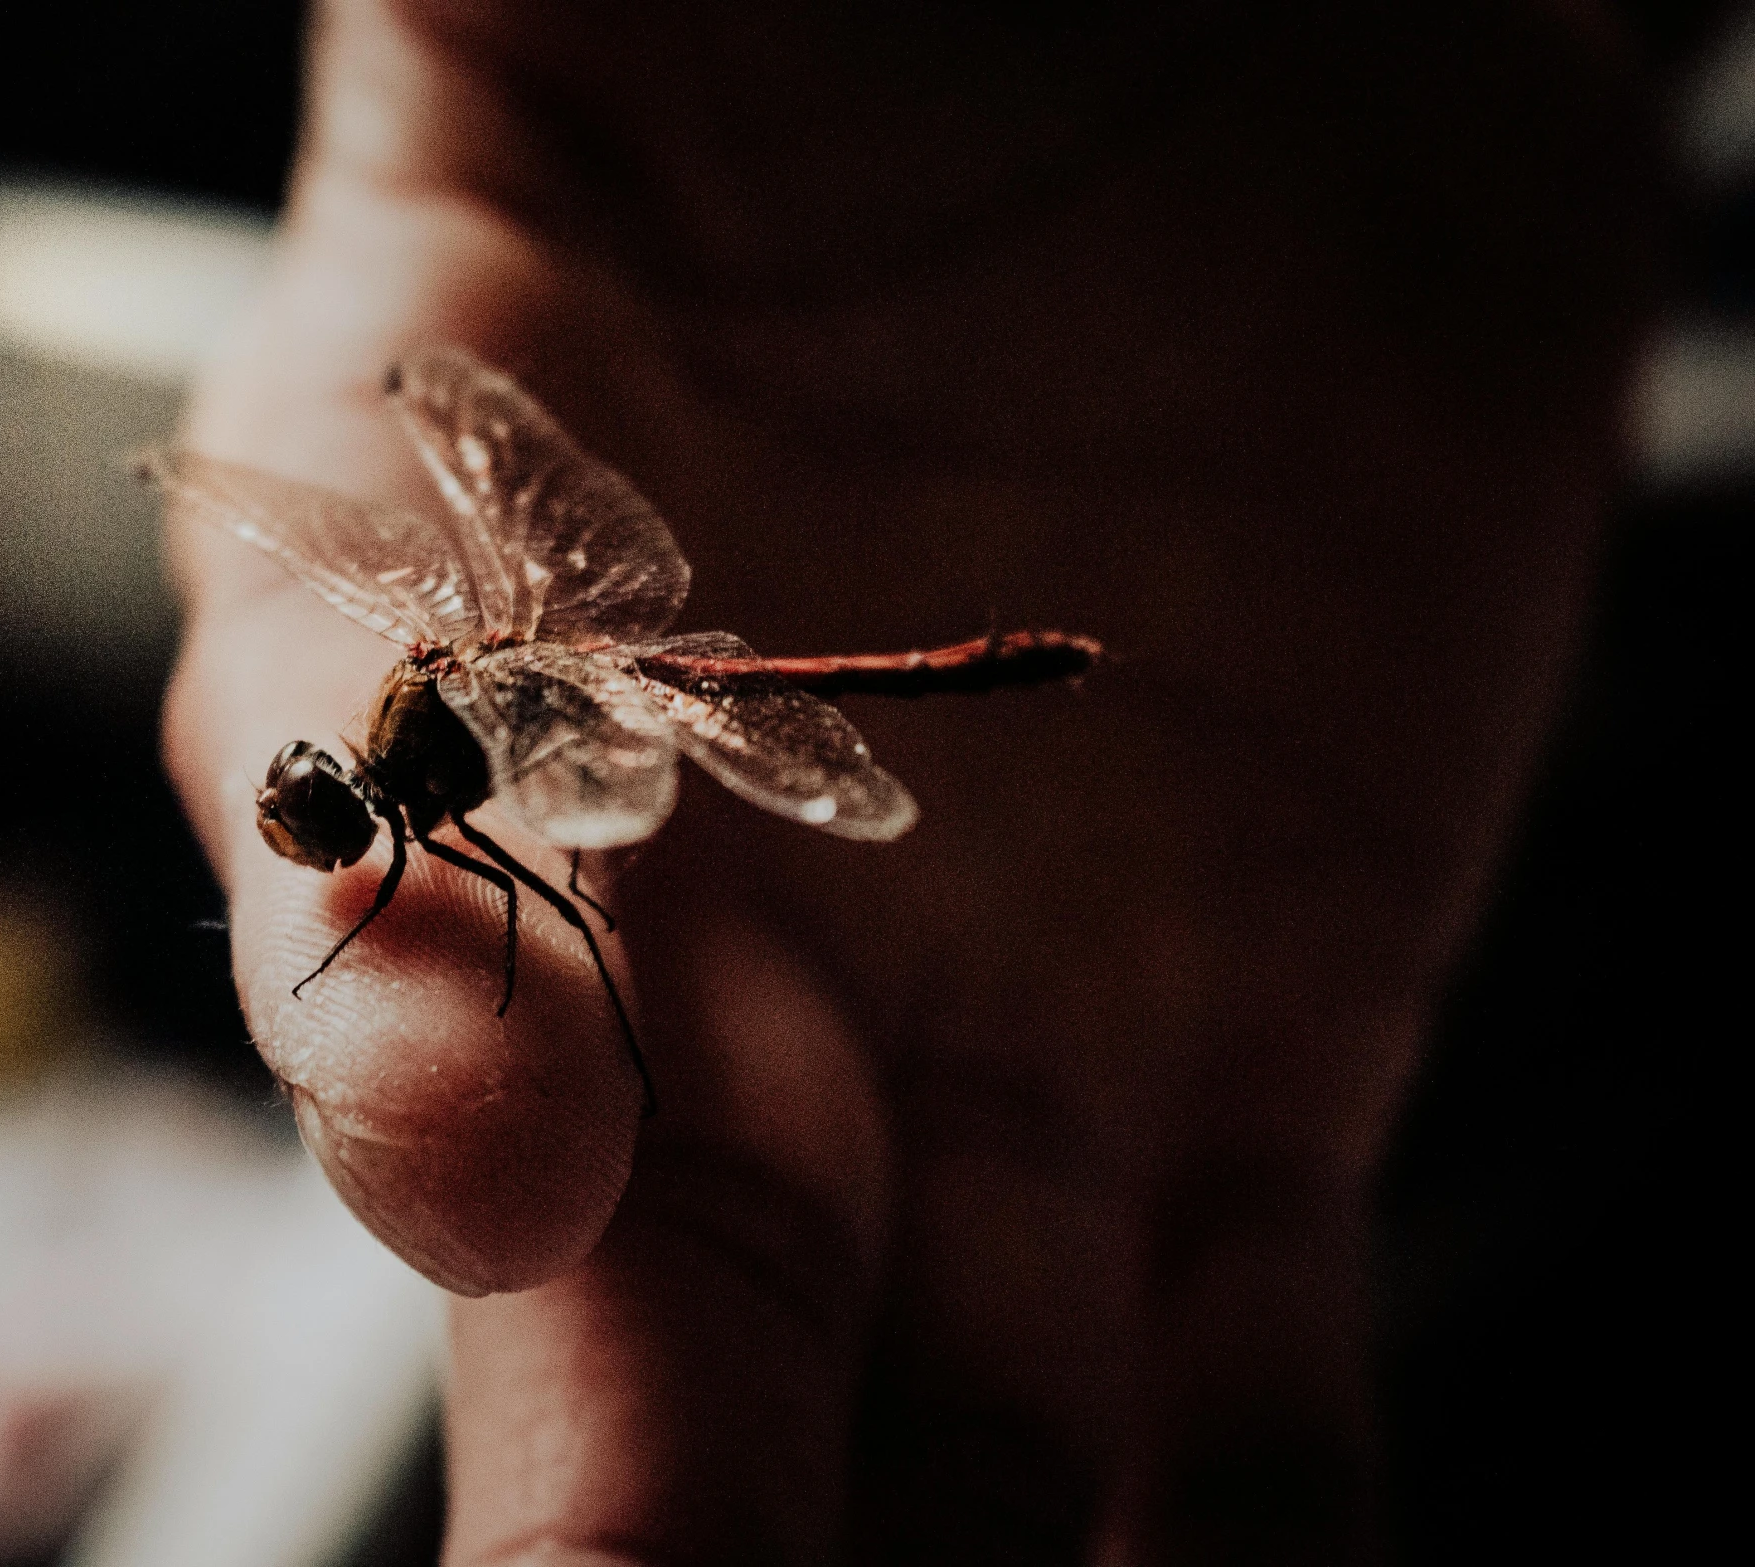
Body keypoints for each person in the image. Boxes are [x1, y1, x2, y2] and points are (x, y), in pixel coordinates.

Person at [161, 3, 1653, 1560]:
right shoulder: (421, 700)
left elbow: (545, 855)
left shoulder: (442, 738)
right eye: (326, 798)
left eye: (324, 805)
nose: (330, 812)